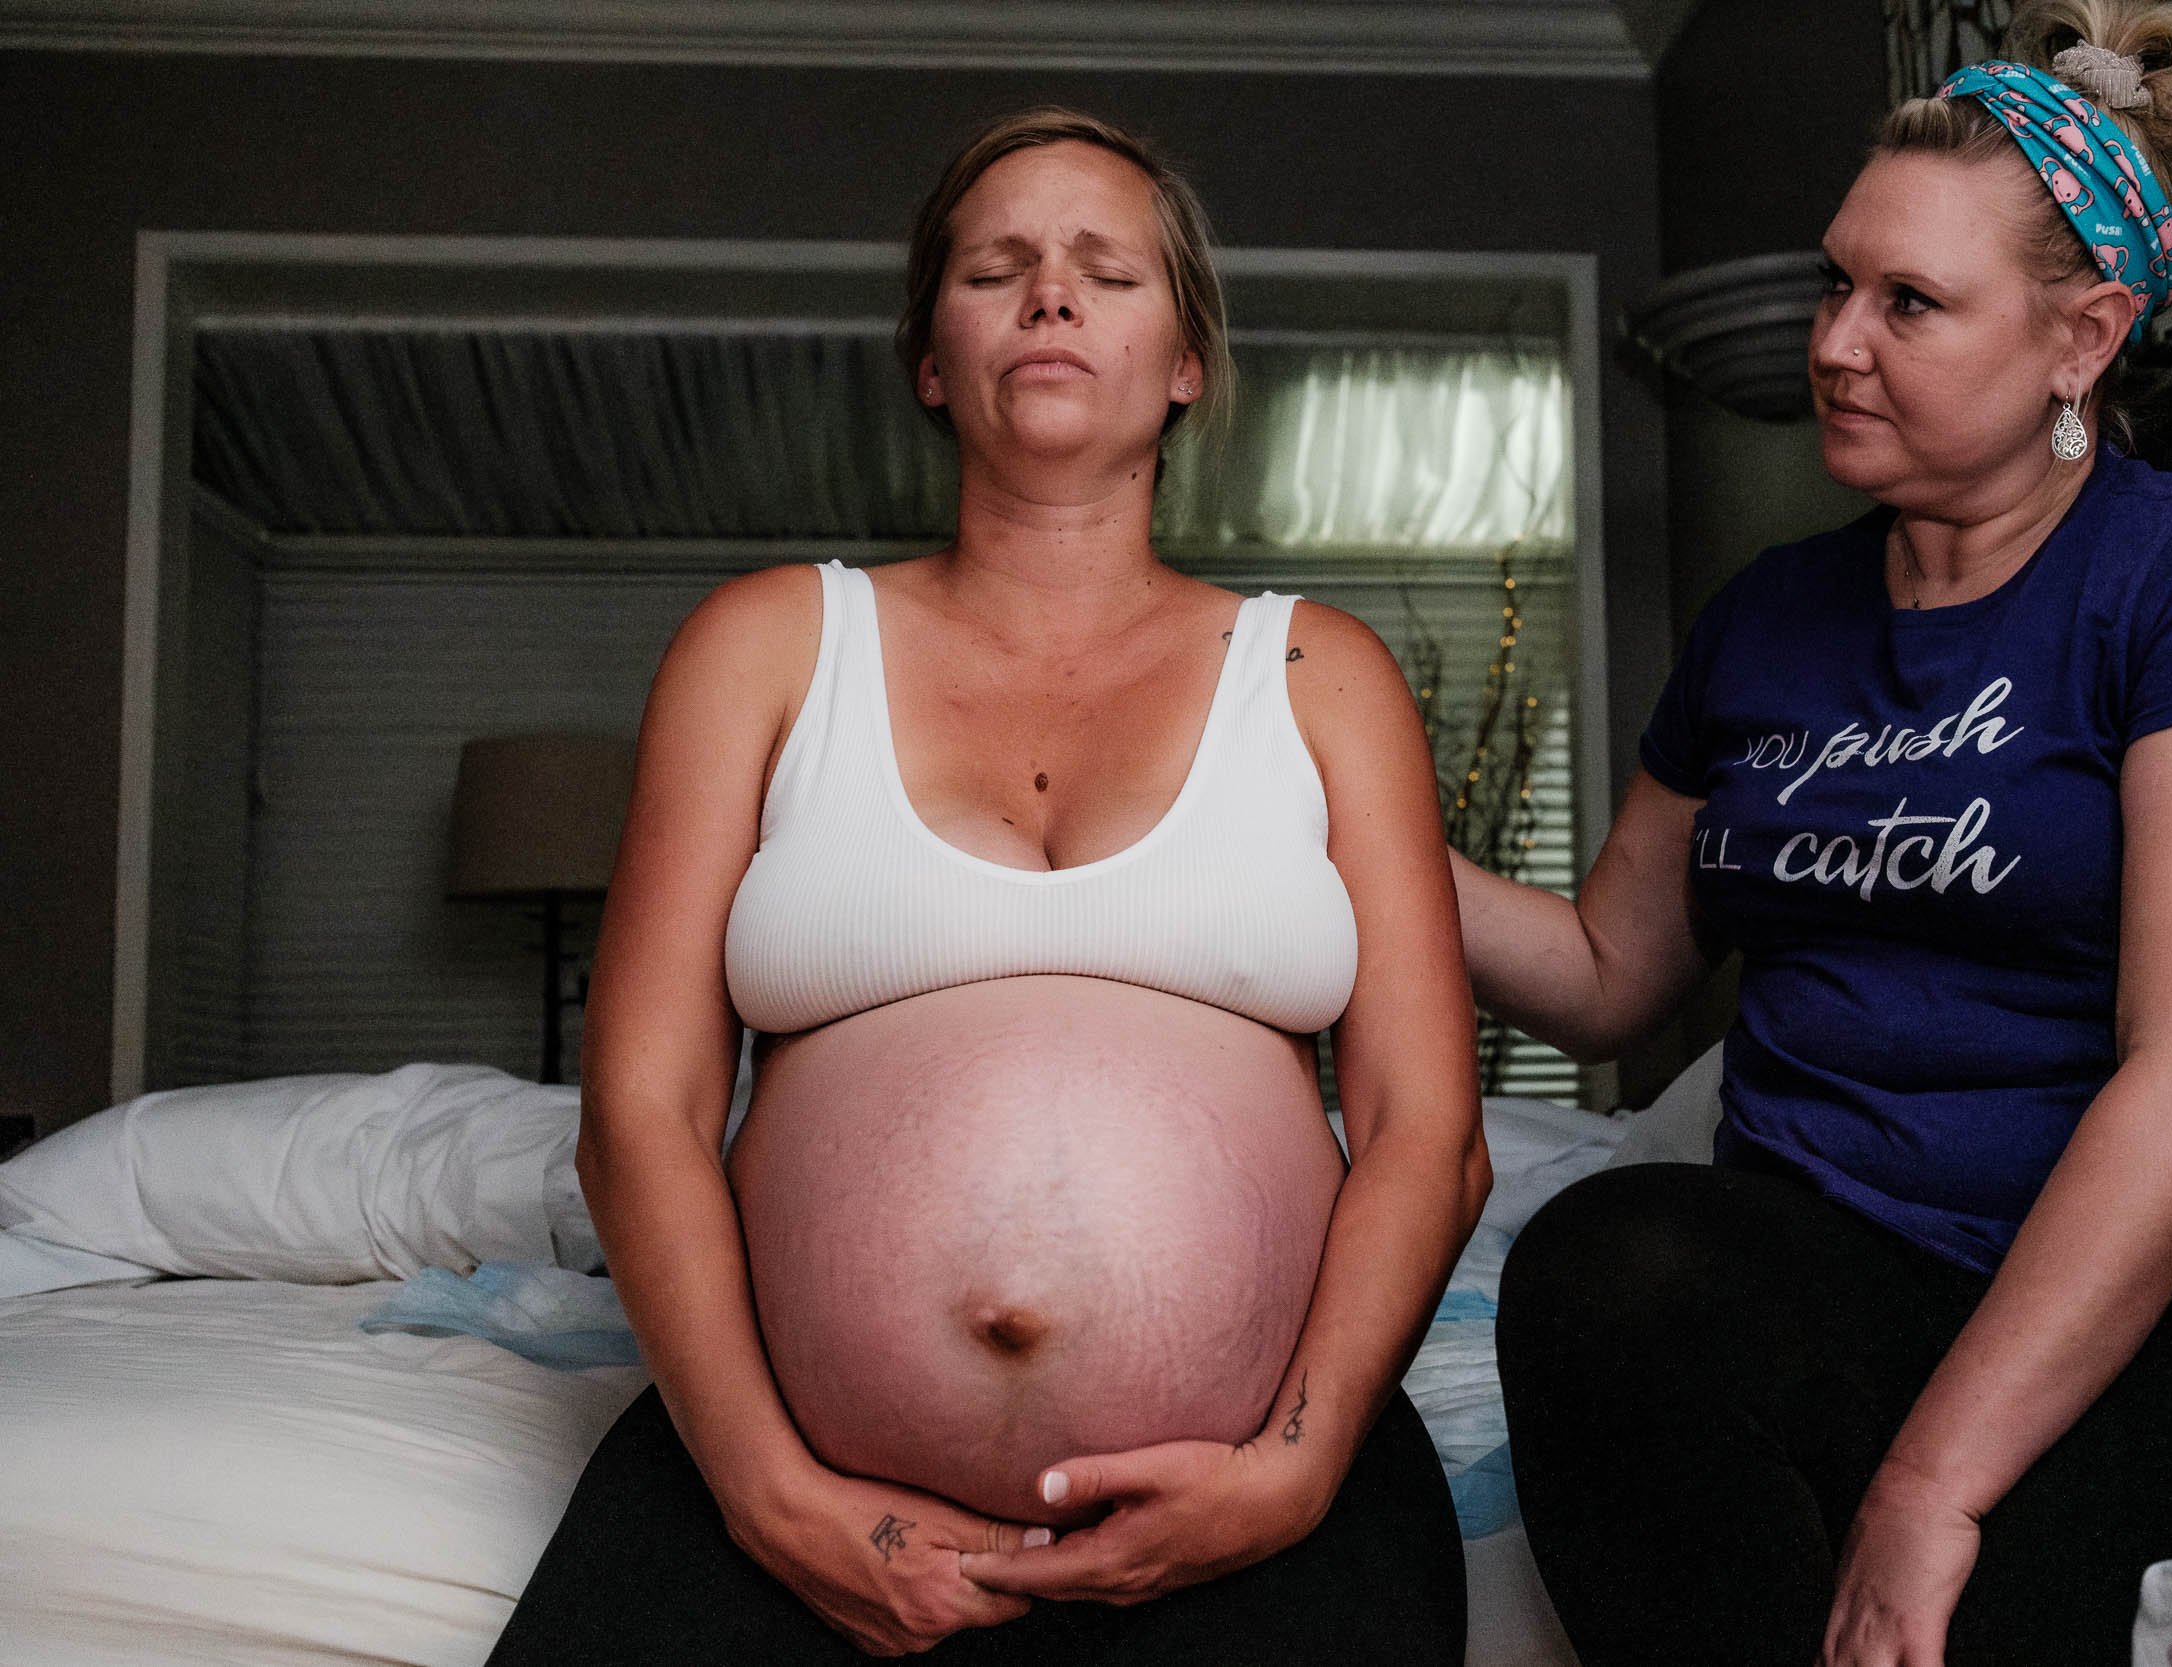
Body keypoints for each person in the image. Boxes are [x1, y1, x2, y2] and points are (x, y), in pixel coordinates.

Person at [1453, 6, 2172, 1663]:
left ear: (2081, 340)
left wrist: (1930, 1487)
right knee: (1606, 1264)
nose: (1835, 340)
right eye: (1839, 281)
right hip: (1846, 1265)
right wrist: (1330, 811)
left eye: (1910, 303)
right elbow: (1612, 975)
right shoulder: (1770, 622)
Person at [489, 108, 1486, 1666]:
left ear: (1185, 363)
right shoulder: (763, 646)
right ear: (931, 359)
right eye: (997, 266)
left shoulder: (1319, 675)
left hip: (1253, 1504)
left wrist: (1292, 1469)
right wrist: (769, 1494)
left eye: (1108, 268)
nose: (1051, 295)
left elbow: (1429, 1132)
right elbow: (642, 1112)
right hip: (786, 1494)